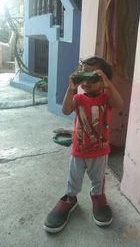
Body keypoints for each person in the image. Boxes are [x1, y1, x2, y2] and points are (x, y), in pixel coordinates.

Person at [44, 56, 123, 233]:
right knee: (73, 179)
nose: (86, 82)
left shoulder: (106, 99)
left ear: (103, 81)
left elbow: (119, 103)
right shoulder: (78, 98)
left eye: (93, 78)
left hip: (100, 152)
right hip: (78, 150)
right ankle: (69, 199)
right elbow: (65, 110)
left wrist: (108, 85)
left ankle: (98, 198)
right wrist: (71, 88)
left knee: (98, 180)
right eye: (83, 77)